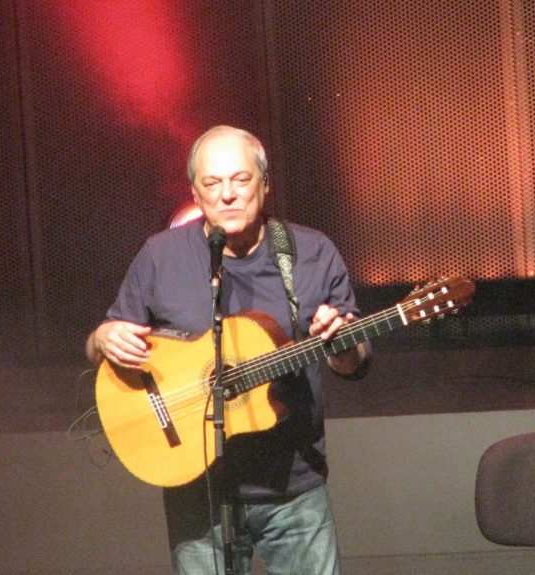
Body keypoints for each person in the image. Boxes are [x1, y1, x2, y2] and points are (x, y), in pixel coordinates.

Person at [86, 125, 370, 574]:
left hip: (293, 487)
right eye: (212, 183)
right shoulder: (160, 256)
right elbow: (103, 342)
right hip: (197, 488)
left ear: (265, 184)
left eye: (240, 179)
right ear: (195, 194)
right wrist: (102, 338)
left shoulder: (311, 253)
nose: (228, 195)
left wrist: (343, 348)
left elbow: (353, 363)